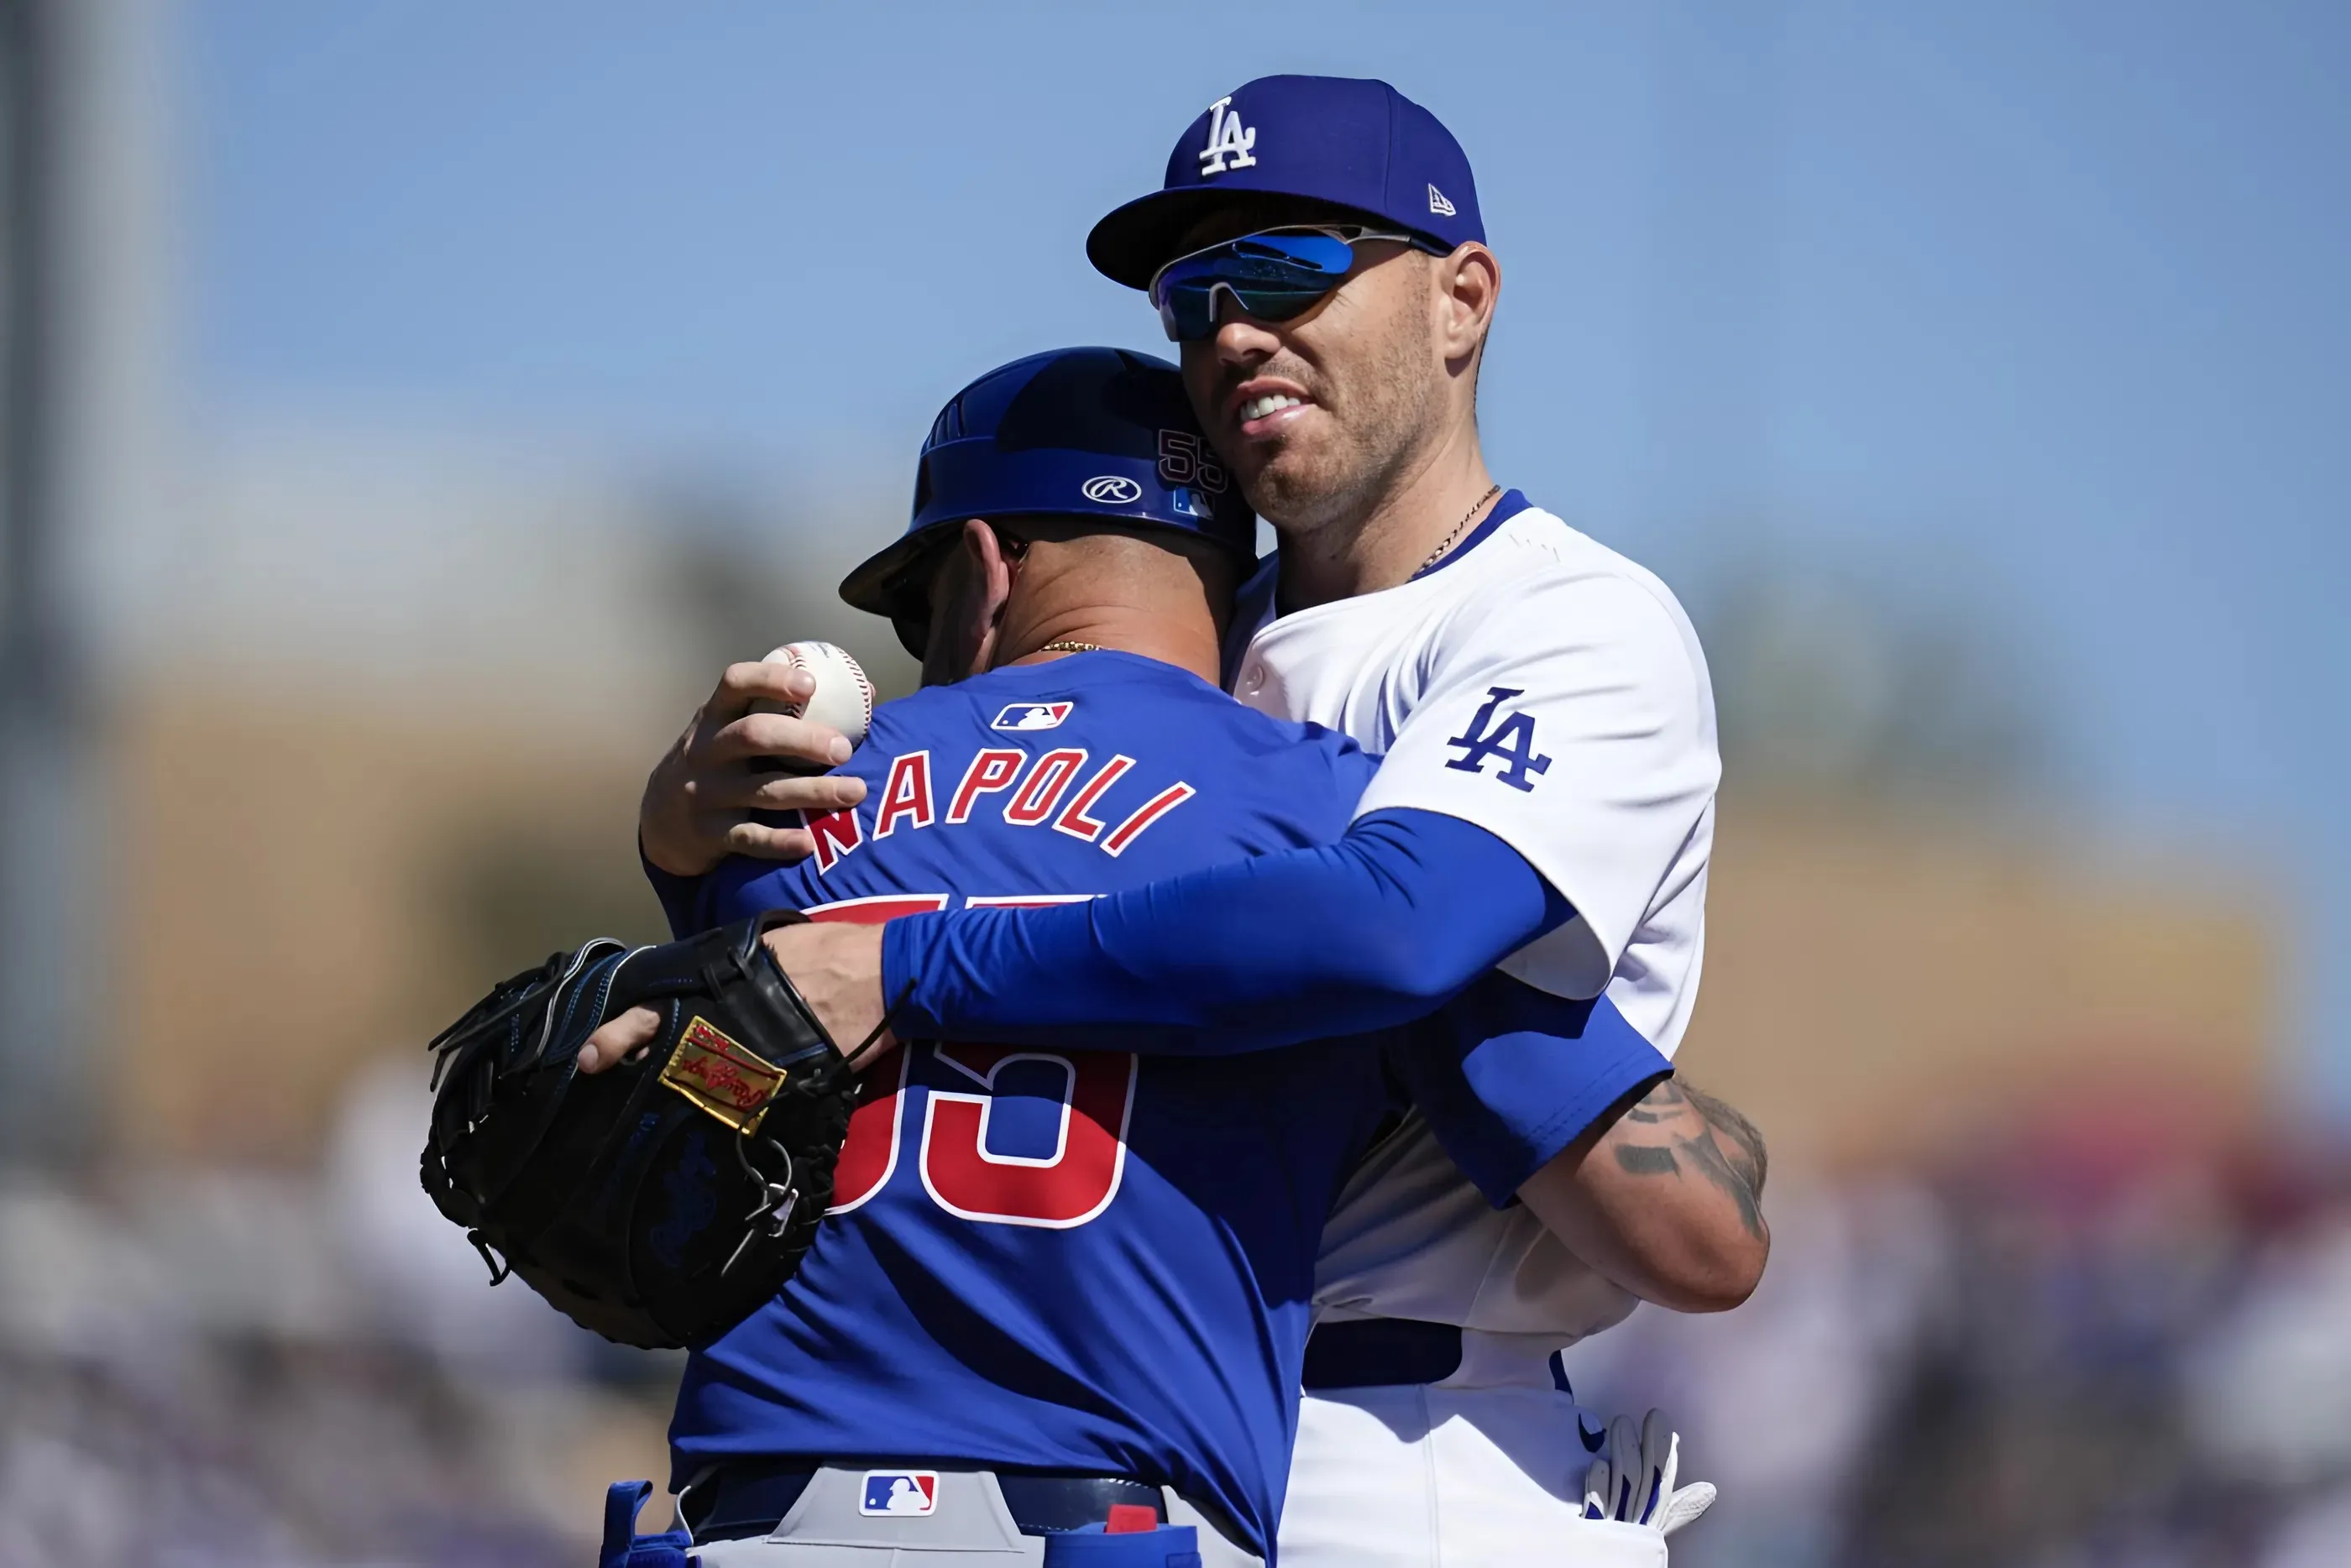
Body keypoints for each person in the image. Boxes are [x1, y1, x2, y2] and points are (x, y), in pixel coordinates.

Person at [706, 76, 1751, 1567]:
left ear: (1463, 302)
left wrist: (913, 961)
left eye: (1289, 268)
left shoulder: (1573, 621)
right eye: (1194, 298)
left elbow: (1399, 930)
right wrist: (684, 843)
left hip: (1413, 1446)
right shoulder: (1192, 656)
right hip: (1123, 1425)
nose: (1232, 332)